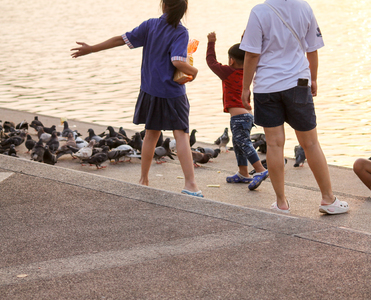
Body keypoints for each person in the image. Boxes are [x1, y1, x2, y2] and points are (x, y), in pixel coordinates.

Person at [71, 0, 203, 197]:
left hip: (150, 90)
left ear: (164, 5)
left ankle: (144, 179)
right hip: (172, 93)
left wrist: (91, 49)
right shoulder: (180, 31)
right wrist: (194, 71)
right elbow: (177, 60)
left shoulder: (150, 25)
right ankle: (190, 185)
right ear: (183, 9)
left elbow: (121, 40)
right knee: (181, 134)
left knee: (151, 134)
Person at [240, 0, 349, 214]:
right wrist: (314, 79)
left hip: (266, 86)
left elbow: (252, 54)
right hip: (297, 83)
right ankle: (328, 199)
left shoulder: (259, 12)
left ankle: (281, 203)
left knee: (274, 145)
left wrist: (245, 88)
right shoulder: (304, 8)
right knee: (310, 143)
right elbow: (313, 49)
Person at [206, 32, 268, 190]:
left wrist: (211, 42)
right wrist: (246, 40)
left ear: (231, 60)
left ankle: (260, 170)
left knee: (243, 143)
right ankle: (243, 173)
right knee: (238, 143)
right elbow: (250, 55)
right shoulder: (249, 71)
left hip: (239, 117)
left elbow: (211, 62)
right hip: (247, 116)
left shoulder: (228, 71)